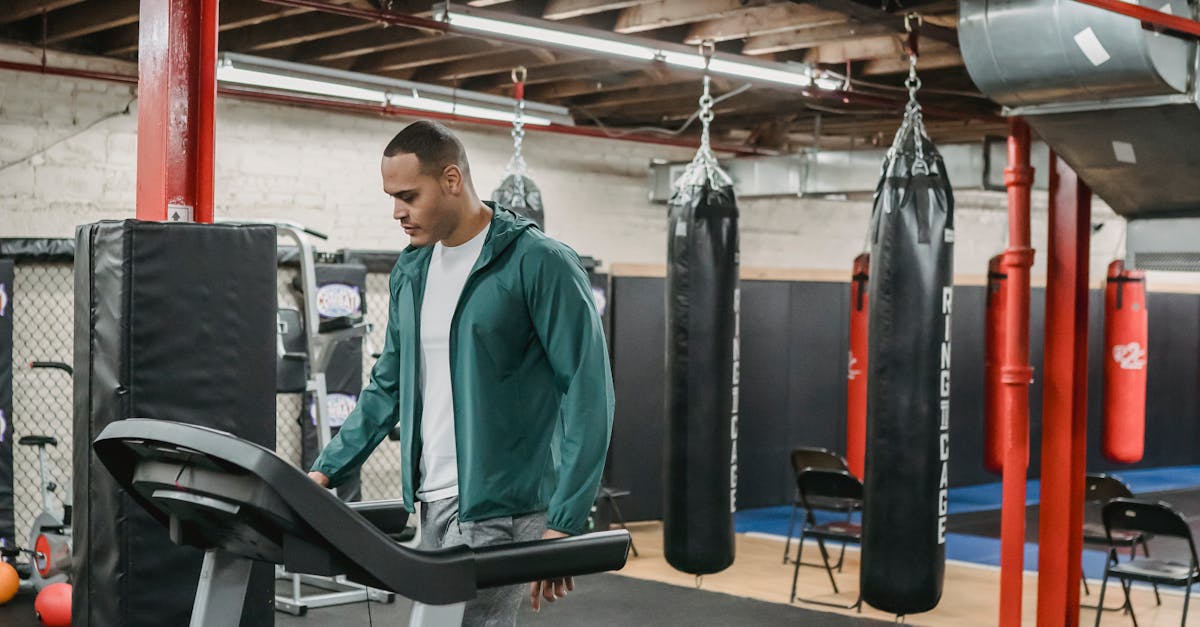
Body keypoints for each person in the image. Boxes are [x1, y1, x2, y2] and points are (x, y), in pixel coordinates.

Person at [308, 120, 615, 625]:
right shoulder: (413, 270)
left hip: (505, 504)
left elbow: (588, 391)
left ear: (452, 179)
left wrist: (564, 520)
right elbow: (389, 385)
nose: (397, 212)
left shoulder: (539, 263)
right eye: (391, 197)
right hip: (434, 498)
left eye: (408, 195)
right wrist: (324, 472)